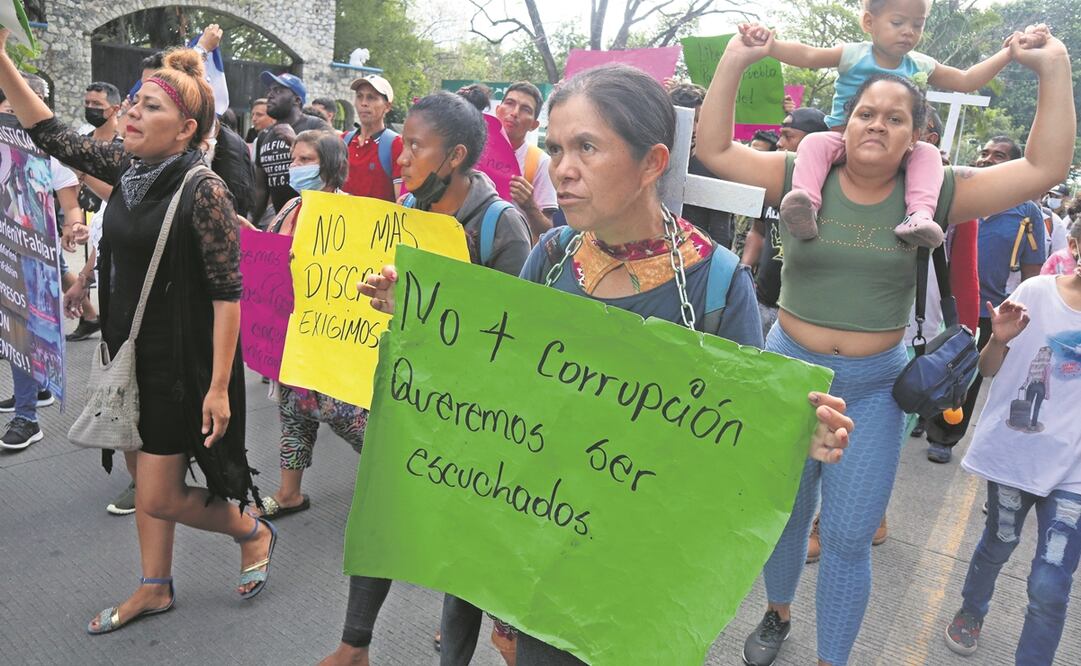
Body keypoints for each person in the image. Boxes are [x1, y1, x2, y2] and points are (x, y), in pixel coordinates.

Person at [356, 64, 853, 666]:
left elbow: (738, 438)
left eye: (588, 148)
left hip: (640, 575)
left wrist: (799, 432)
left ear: (652, 162)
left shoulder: (718, 283)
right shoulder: (552, 254)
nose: (563, 169)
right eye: (558, 147)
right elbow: (498, 376)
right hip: (538, 547)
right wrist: (416, 314)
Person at [696, 25, 1073, 666]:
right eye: (866, 113)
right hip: (789, 374)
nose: (878, 125)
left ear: (916, 133)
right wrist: (737, 56)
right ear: (845, 122)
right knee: (786, 517)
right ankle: (776, 613)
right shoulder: (797, 177)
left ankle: (832, 658)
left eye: (895, 118)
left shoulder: (939, 192)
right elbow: (712, 148)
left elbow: (1045, 168)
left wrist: (1054, 68)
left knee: (844, 538)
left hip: (874, 390)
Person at [0, 33, 277, 632]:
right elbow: (49, 132)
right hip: (123, 353)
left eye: (151, 107)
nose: (131, 113)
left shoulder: (205, 189)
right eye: (134, 103)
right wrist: (1, 61)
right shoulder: (127, 169)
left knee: (157, 494)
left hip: (178, 365)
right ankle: (154, 586)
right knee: (142, 477)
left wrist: (220, 387)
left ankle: (252, 531)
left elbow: (230, 294)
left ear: (185, 129)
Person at [320, 90, 531, 666]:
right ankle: (352, 646)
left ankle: (497, 635)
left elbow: (519, 339)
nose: (401, 158)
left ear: (455, 156)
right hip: (408, 400)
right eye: (402, 144)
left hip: (476, 420)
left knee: (466, 545)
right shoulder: (407, 215)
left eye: (416, 146)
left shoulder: (500, 227)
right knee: (381, 514)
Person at [741, 0, 1019, 249]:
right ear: (869, 23)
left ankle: (919, 215)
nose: (908, 31)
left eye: (917, 24)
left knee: (928, 153)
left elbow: (966, 80)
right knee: (814, 142)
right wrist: (771, 45)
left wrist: (1007, 54)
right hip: (843, 141)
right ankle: (805, 205)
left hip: (895, 150)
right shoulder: (854, 54)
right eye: (898, 22)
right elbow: (809, 56)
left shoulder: (920, 64)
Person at [943, 220, 1081, 664]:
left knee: (1051, 582)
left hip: (1074, 471)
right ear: (1074, 245)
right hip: (1015, 455)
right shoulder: (1036, 294)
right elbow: (986, 370)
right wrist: (998, 342)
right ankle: (971, 608)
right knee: (999, 542)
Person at [256, 130, 367, 518]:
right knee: (294, 413)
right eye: (294, 159)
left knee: (349, 419)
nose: (295, 167)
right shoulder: (290, 209)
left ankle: (399, 485)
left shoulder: (351, 214)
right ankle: (290, 493)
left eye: (306, 160)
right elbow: (273, 257)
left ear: (331, 166)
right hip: (292, 335)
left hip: (332, 340)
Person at [922, 135, 1049, 462]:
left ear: (1014, 166)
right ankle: (920, 411)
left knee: (963, 374)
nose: (987, 158)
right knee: (924, 359)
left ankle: (945, 435)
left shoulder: (1028, 214)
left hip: (988, 309)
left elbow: (1033, 273)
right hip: (939, 299)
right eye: (984, 151)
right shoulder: (956, 196)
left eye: (998, 155)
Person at [0, 72, 79, 449]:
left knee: (21, 330)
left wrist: (74, 226)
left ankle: (27, 417)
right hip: (4, 253)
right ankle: (32, 388)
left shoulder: (50, 152)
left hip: (31, 259)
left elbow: (70, 202)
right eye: (7, 107)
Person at [741, 108, 829, 340]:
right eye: (780, 135)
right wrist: (743, 272)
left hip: (801, 315)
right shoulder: (774, 185)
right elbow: (758, 233)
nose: (779, 143)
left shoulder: (832, 191)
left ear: (814, 142)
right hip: (760, 301)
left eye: (788, 136)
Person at [251, 71, 330, 224]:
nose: (271, 95)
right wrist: (252, 223)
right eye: (270, 90)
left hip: (316, 219)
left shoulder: (316, 125)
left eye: (278, 91)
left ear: (297, 100)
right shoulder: (264, 136)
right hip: (284, 222)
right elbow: (261, 189)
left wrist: (294, 141)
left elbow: (334, 166)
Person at [668, 82, 737, 248]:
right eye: (686, 119)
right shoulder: (652, 159)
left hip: (699, 257)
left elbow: (721, 231)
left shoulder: (716, 165)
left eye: (699, 120)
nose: (692, 128)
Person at [494, 81, 558, 242]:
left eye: (525, 109)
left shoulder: (540, 162)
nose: (514, 113)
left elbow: (548, 231)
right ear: (498, 110)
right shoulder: (474, 149)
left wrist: (529, 205)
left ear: (534, 125)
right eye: (509, 103)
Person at [341, 74, 402, 202]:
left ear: (387, 106)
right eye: (359, 96)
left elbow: (401, 201)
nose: (363, 103)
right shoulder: (344, 141)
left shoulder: (396, 145)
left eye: (371, 98)